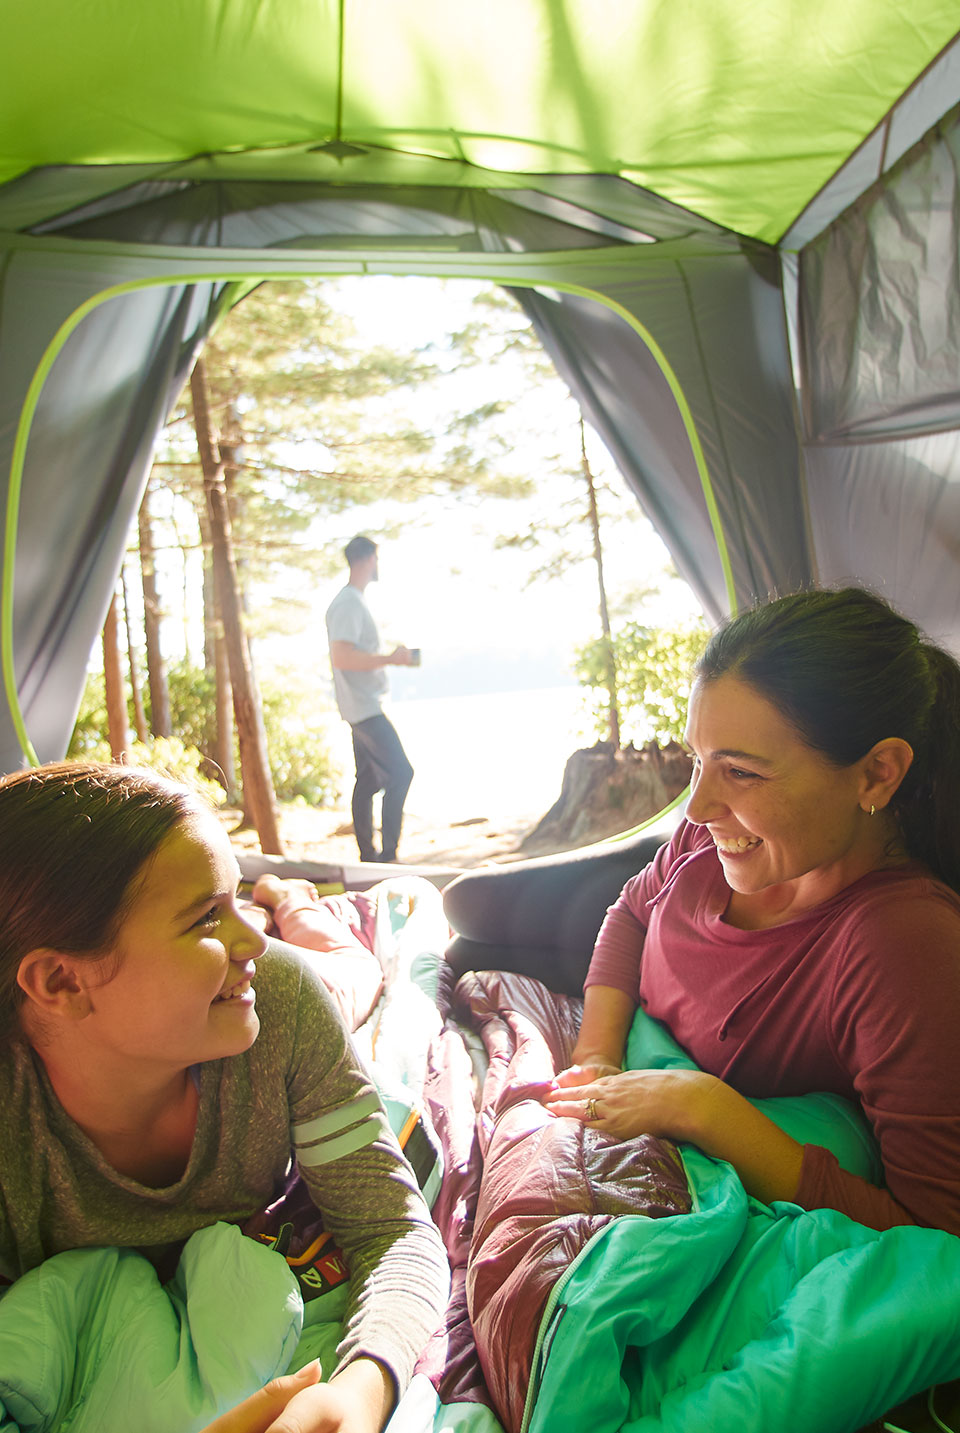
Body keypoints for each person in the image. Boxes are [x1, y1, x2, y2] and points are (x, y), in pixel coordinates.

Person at [0, 761, 448, 1433]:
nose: (250, 942)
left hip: (313, 989)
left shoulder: (280, 998)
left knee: (355, 975)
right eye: (207, 918)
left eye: (233, 903)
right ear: (61, 980)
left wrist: (365, 1385)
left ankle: (292, 901)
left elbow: (393, 1231)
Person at [544, 587, 960, 1236]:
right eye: (697, 760)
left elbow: (935, 1231)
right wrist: (596, 1058)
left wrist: (710, 1110)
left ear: (878, 773)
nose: (696, 806)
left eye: (740, 772)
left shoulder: (903, 947)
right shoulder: (714, 836)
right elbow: (631, 913)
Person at [325, 535, 415, 865]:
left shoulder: (353, 601)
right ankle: (386, 856)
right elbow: (343, 657)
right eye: (376, 558)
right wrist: (390, 659)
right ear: (366, 559)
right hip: (363, 708)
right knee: (401, 773)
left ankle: (369, 857)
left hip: (359, 707)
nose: (378, 565)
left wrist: (391, 659)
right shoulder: (348, 602)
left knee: (368, 780)